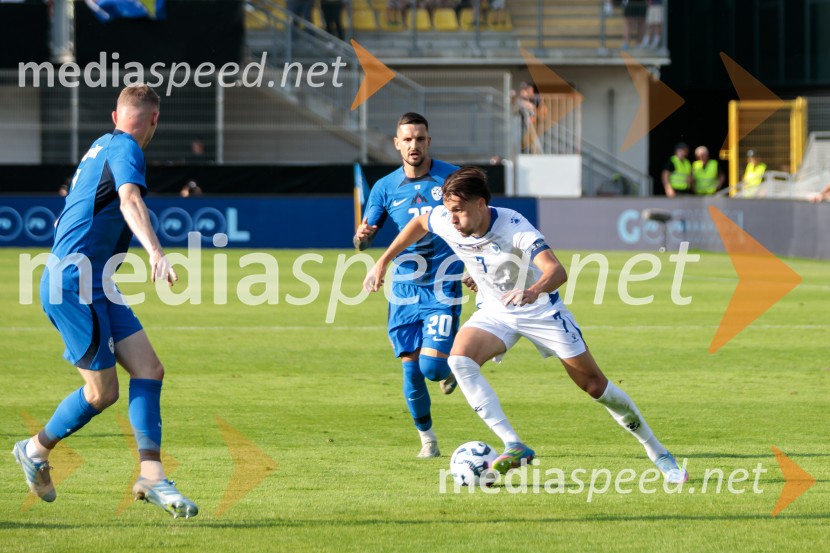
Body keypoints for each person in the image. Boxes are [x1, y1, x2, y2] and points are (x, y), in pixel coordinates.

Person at [364, 166, 689, 483]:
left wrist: (532, 290)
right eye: (449, 210)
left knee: (596, 387)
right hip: (496, 310)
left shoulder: (514, 226)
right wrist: (383, 260)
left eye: (459, 211)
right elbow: (420, 221)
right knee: (459, 360)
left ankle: (658, 452)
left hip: (540, 310)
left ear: (481, 205)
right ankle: (514, 445)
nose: (451, 218)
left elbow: (556, 270)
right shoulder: (449, 220)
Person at [13, 85, 198, 519]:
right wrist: (155, 251)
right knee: (102, 392)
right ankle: (35, 449)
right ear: (154, 120)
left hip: (94, 282)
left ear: (115, 114)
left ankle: (151, 475)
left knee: (150, 369)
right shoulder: (127, 148)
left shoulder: (101, 144)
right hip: (75, 283)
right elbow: (130, 198)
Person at [353, 113, 464, 459]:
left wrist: (476, 264)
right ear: (397, 144)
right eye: (408, 139)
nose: (414, 145)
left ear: (428, 141)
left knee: (432, 369)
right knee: (411, 369)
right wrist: (361, 238)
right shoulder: (384, 188)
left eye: (420, 139)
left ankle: (454, 367)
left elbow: (477, 223)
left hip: (444, 283)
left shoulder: (452, 177)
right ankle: (428, 442)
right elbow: (362, 241)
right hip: (403, 290)